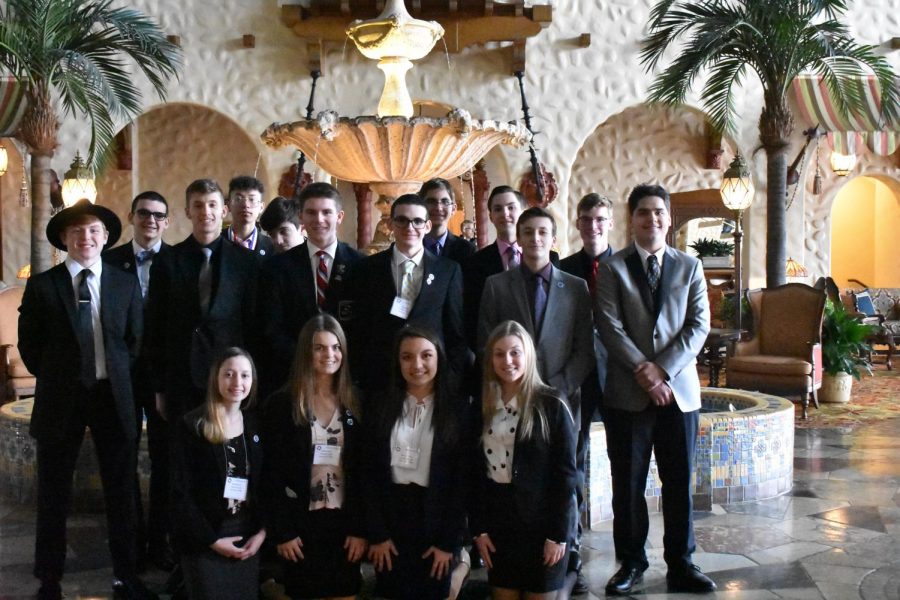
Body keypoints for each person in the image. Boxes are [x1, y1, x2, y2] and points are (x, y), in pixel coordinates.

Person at [18, 200, 152, 600]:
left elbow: (134, 340)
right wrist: (64, 377)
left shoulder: (124, 283)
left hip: (113, 397)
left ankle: (126, 574)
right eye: (77, 231)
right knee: (54, 490)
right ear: (64, 239)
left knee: (122, 490)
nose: (86, 238)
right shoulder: (43, 286)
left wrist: (109, 373)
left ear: (106, 237)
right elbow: (30, 347)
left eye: (94, 231)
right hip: (62, 400)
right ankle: (49, 578)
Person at [595, 183, 715, 595]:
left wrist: (661, 371)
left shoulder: (689, 267)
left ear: (669, 217)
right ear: (632, 219)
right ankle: (631, 562)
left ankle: (682, 562)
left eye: (659, 212)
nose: (652, 219)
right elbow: (609, 326)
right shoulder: (612, 269)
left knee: (679, 482)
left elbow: (698, 326)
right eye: (644, 212)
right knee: (627, 484)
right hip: (627, 396)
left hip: (679, 394)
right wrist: (643, 373)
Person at [262, 315, 366, 599]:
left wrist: (360, 529)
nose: (329, 355)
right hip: (300, 526)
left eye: (335, 347)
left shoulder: (356, 402)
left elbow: (364, 473)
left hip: (344, 525)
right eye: (319, 347)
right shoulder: (281, 405)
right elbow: (270, 474)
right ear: (305, 352)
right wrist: (282, 532)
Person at [471, 321, 577, 599]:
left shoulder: (552, 404)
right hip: (499, 523)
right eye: (499, 353)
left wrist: (557, 535)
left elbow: (565, 476)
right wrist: (479, 530)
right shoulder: (482, 407)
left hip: (542, 523)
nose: (507, 361)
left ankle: (570, 576)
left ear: (528, 355)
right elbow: (474, 474)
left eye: (515, 352)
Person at [366, 327, 467, 600]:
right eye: (407, 357)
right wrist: (377, 534)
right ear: (397, 362)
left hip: (435, 521)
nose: (417, 365)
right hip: (391, 523)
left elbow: (461, 482)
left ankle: (462, 566)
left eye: (426, 355)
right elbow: (368, 475)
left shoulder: (457, 410)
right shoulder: (380, 405)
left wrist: (449, 544)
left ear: (439, 359)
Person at [146, 178, 259, 420]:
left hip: (229, 377)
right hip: (180, 377)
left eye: (211, 205)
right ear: (188, 211)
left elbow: (251, 324)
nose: (205, 212)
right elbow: (154, 325)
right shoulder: (167, 261)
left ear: (224, 210)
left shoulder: (247, 263)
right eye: (198, 205)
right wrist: (159, 386)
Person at [104, 191, 175, 572]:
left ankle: (159, 543)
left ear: (167, 222)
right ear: (131, 216)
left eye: (158, 215)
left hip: (163, 379)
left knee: (165, 464)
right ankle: (129, 545)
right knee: (123, 459)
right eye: (144, 213)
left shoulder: (178, 261)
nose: (150, 220)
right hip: (122, 378)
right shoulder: (109, 261)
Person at [348, 193, 466, 397]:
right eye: (401, 220)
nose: (409, 227)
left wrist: (451, 379)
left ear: (427, 226)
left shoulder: (448, 271)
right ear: (391, 224)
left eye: (417, 221)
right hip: (380, 382)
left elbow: (455, 331)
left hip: (431, 381)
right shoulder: (367, 268)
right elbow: (359, 328)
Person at [172, 347, 266, 600]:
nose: (238, 382)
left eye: (245, 375)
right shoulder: (192, 425)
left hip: (247, 535)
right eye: (229, 374)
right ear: (216, 378)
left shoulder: (256, 424)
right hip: (206, 538)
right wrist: (211, 540)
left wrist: (262, 533)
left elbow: (267, 483)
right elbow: (179, 493)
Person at [477, 206, 593, 408]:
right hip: (511, 395)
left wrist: (555, 388)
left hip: (562, 397)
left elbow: (584, 349)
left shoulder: (576, 287)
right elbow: (486, 342)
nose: (535, 238)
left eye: (542, 232)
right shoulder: (496, 285)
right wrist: (511, 384)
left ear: (553, 240)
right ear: (519, 239)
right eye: (528, 232)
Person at [558, 192, 615, 593]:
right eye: (586, 219)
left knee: (624, 459)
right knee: (571, 460)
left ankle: (630, 549)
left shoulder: (625, 265)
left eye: (599, 219)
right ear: (577, 225)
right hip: (577, 379)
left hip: (619, 379)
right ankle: (571, 540)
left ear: (609, 223)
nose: (592, 226)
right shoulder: (564, 270)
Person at [257, 182, 363, 396]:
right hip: (291, 377)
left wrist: (334, 359)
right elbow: (271, 327)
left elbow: (365, 327)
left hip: (346, 379)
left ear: (339, 216)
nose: (319, 219)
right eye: (311, 212)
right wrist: (308, 359)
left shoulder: (361, 265)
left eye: (326, 212)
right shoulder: (277, 268)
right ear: (302, 219)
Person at [462, 186, 559, 350]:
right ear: (491, 216)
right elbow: (473, 316)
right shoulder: (475, 262)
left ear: (523, 211)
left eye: (511, 207)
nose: (505, 214)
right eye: (498, 209)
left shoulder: (551, 258)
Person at [419, 178, 475, 265]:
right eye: (431, 201)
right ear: (420, 207)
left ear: (453, 209)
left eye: (445, 201)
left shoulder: (467, 249)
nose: (438, 207)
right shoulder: (410, 246)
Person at [225, 175, 275, 258]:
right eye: (238, 199)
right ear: (228, 205)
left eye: (252, 200)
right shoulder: (216, 242)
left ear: (261, 207)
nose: (245, 205)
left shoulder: (272, 247)